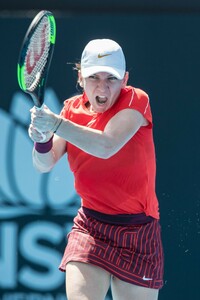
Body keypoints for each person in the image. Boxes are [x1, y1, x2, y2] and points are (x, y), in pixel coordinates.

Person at [29, 39, 164, 300]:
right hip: (91, 227)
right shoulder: (70, 110)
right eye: (93, 78)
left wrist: (55, 124)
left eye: (110, 79)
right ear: (80, 77)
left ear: (124, 79)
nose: (102, 87)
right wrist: (42, 139)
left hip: (139, 230)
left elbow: (106, 145)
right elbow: (43, 164)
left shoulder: (137, 101)